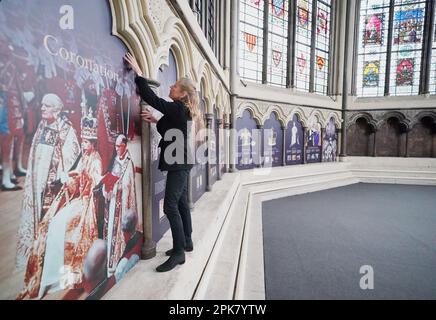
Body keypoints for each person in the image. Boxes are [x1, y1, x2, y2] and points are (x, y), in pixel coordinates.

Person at [124, 52, 202, 272]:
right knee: (179, 204)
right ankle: (186, 241)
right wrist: (157, 119)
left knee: (170, 205)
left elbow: (153, 99)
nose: (170, 89)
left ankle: (178, 254)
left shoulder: (178, 108)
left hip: (179, 163)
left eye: (174, 87)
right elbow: (170, 127)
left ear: (183, 94)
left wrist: (140, 75)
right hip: (182, 161)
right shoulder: (181, 110)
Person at [17, 112, 102, 299]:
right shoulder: (84, 157)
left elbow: (94, 184)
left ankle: (65, 275)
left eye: (86, 142)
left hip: (87, 203)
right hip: (78, 199)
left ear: (93, 143)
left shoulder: (96, 159)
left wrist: (79, 177)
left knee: (62, 226)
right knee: (53, 222)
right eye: (83, 141)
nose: (83, 145)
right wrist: (68, 177)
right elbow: (76, 180)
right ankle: (52, 275)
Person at [16, 93, 80, 271]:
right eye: (42, 105)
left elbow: (72, 155)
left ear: (57, 110)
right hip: (38, 185)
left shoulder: (66, 130)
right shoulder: (42, 127)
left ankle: (51, 259)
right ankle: (37, 255)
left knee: (50, 223)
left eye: (47, 106)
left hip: (54, 186)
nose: (42, 108)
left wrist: (60, 172)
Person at [99, 134, 140, 277]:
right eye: (115, 146)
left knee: (119, 237)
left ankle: (117, 261)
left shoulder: (129, 163)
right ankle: (110, 263)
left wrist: (116, 186)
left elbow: (129, 186)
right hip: (112, 203)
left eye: (119, 146)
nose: (117, 149)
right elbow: (109, 176)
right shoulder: (115, 160)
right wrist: (107, 188)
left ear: (125, 145)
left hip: (122, 207)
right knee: (110, 233)